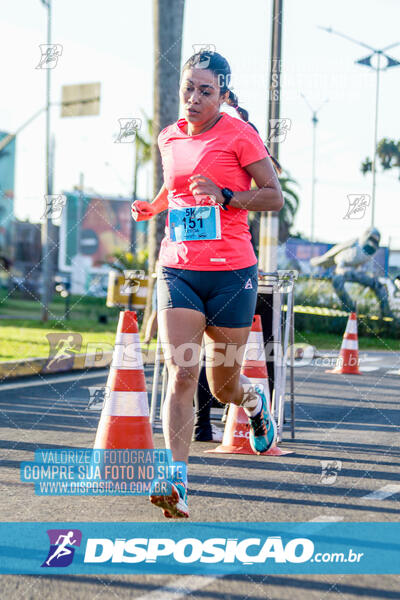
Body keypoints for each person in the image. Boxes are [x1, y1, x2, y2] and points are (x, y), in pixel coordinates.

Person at [132, 50, 283, 519]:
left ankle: (255, 404)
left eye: (205, 91)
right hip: (178, 268)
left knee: (223, 389)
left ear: (222, 94)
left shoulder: (239, 135)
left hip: (232, 274)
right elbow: (175, 188)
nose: (194, 99)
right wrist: (154, 208)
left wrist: (227, 196)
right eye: (189, 89)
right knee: (181, 373)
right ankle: (175, 482)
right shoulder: (168, 137)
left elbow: (274, 197)